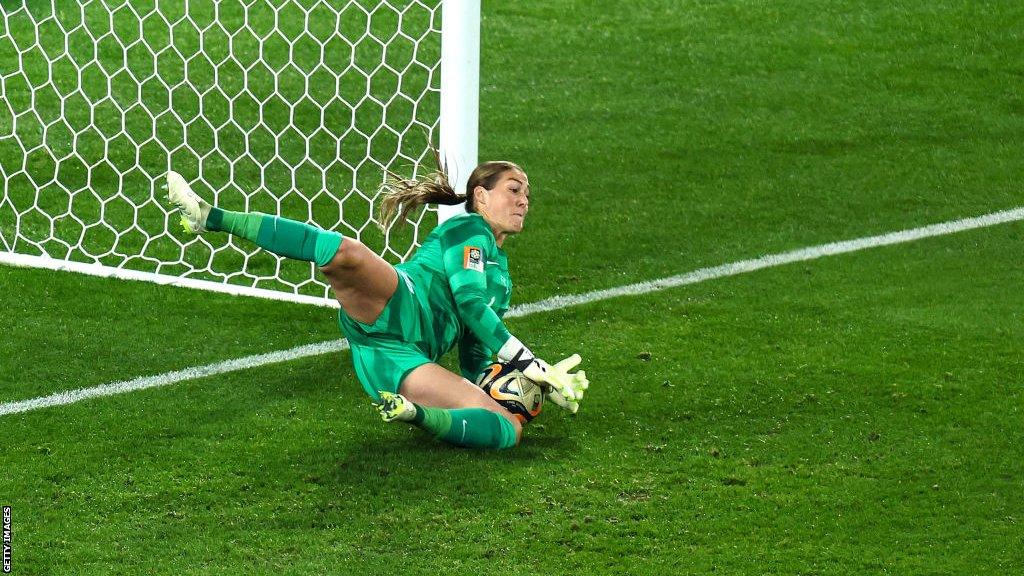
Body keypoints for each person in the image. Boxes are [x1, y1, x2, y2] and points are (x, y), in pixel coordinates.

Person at [166, 161, 588, 450]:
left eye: (527, 194)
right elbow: (469, 302)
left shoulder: (503, 281)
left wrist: (530, 388)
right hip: (398, 302)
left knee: (509, 427)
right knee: (346, 254)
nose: (524, 200)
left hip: (399, 357)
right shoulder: (468, 230)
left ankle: (413, 414)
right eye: (514, 190)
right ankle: (212, 216)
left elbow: (475, 356)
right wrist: (528, 360)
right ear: (481, 197)